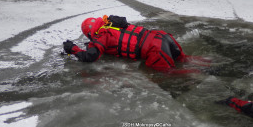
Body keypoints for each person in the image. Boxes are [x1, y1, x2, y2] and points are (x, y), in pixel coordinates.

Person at [63, 15, 206, 74]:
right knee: (184, 59)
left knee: (169, 75)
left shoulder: (101, 35)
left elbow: (90, 56)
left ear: (89, 32)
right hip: (162, 36)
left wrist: (73, 49)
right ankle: (209, 63)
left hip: (155, 50)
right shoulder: (112, 24)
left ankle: (202, 74)